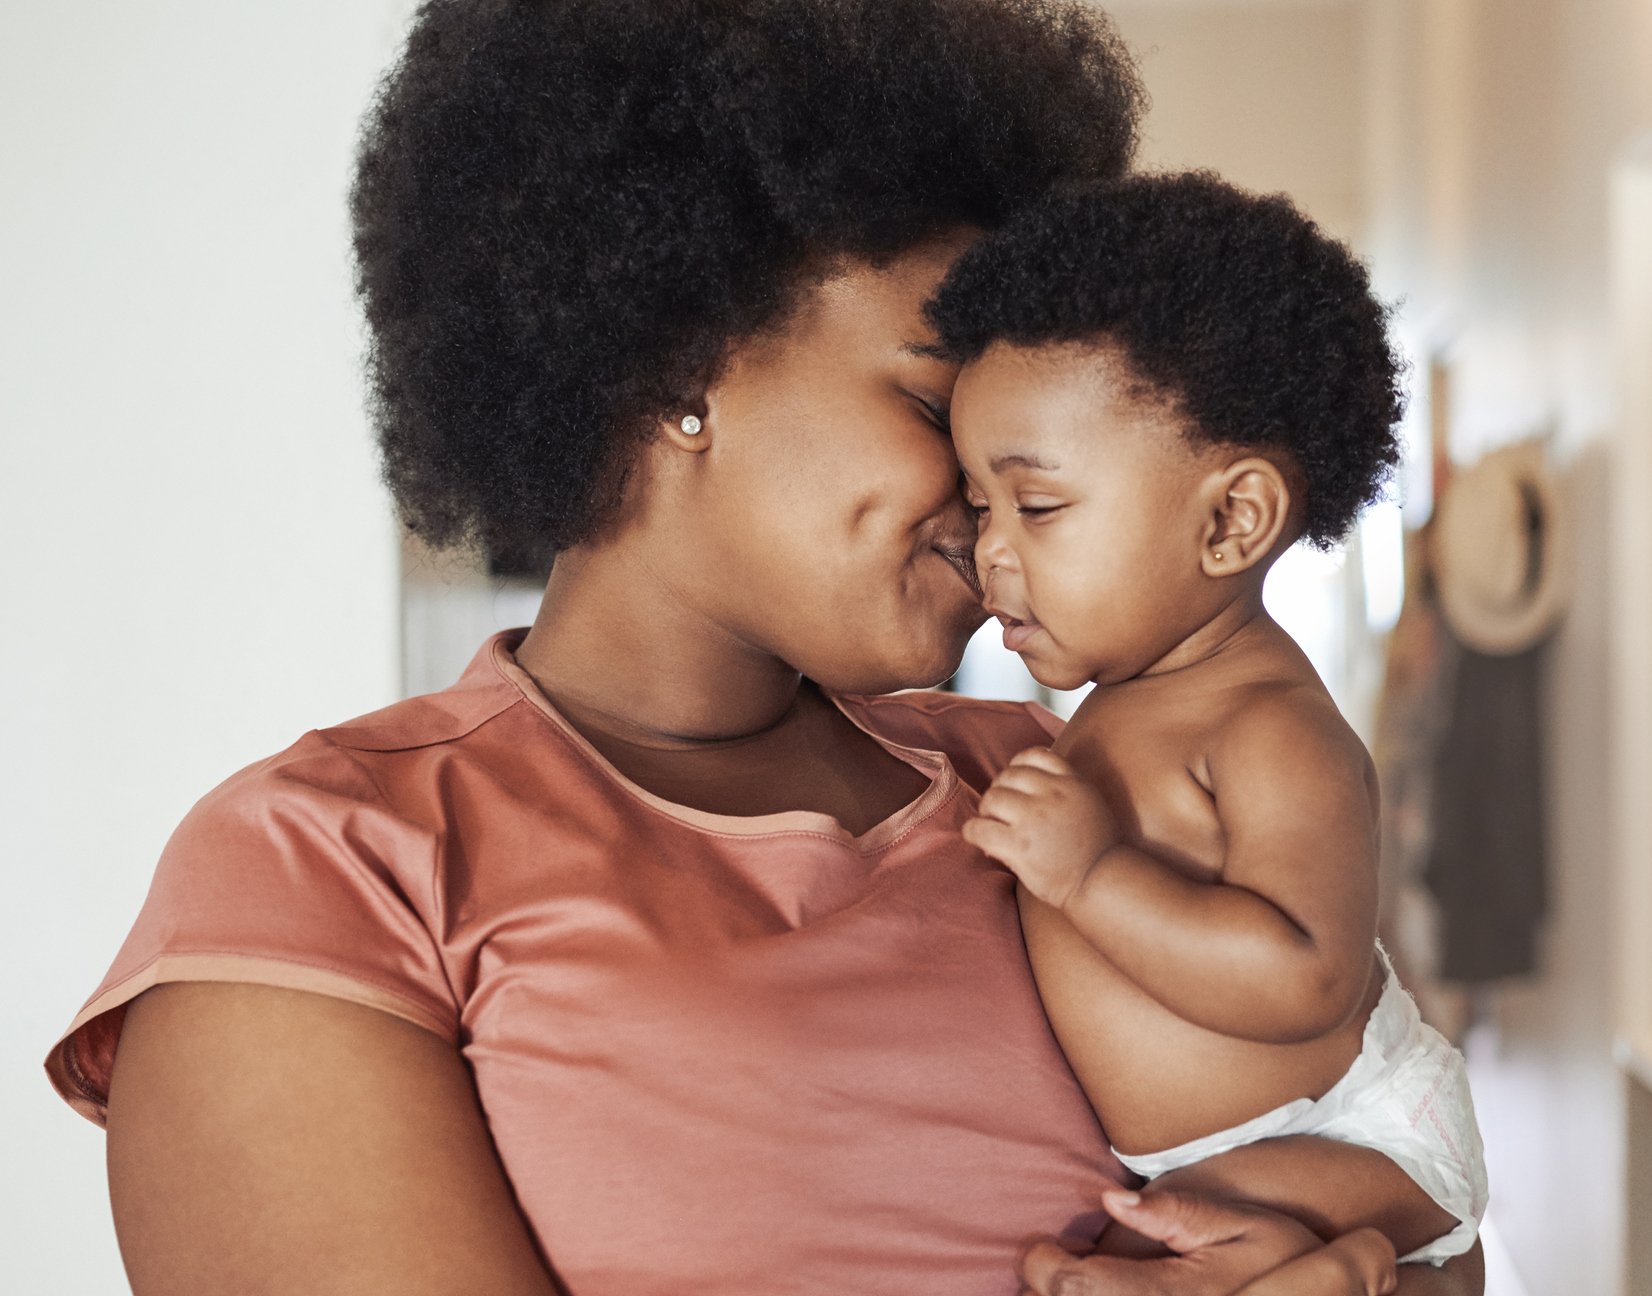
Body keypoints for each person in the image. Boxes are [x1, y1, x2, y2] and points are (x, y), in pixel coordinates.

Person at [40, 3, 1483, 1293]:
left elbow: (1406, 1182)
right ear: (681, 363)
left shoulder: (1051, 780)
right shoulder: (332, 867)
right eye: (938, 413)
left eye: (1029, 467)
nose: (989, 518)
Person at [930, 173, 1487, 1267]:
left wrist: (1092, 876)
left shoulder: (1270, 728)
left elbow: (1305, 975)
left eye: (1036, 507)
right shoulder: (1123, 705)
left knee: (1147, 1243)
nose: (988, 549)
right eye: (981, 506)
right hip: (1253, 1143)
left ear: (1232, 519)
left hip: (1354, 1137)